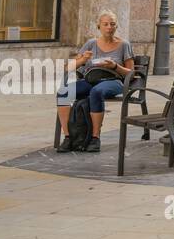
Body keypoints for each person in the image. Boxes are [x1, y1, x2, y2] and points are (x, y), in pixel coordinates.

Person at [55, 10, 136, 153]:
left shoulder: (124, 45)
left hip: (113, 80)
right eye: (105, 24)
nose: (109, 27)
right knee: (63, 92)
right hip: (91, 79)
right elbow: (69, 68)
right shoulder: (91, 44)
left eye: (112, 24)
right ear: (99, 26)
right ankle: (68, 137)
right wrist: (83, 59)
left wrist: (115, 66)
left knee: (96, 92)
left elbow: (132, 73)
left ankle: (95, 138)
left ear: (116, 27)